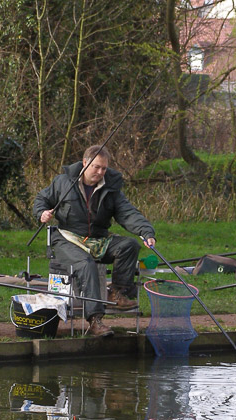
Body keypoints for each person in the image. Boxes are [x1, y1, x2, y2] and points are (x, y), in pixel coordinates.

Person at [33, 144, 156, 337]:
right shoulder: (63, 182)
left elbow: (128, 213)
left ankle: (116, 292)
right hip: (67, 238)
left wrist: (147, 232)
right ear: (84, 163)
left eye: (104, 168)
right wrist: (42, 213)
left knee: (129, 245)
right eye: (96, 167)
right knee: (86, 264)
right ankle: (95, 321)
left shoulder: (111, 188)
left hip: (98, 239)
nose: (100, 172)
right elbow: (41, 200)